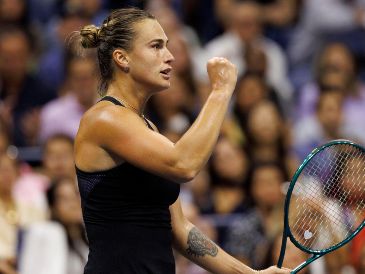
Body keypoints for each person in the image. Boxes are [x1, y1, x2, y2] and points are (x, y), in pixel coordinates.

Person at [73, 7, 291, 274]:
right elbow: (185, 164)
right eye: (156, 46)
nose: (170, 56)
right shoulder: (103, 119)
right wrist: (221, 91)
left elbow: (180, 230)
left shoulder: (147, 128)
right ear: (122, 58)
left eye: (167, 46)